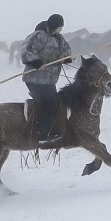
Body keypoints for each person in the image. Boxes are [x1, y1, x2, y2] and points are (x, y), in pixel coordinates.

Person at [21, 13, 73, 143]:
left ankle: (52, 130)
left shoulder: (59, 39)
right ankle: (41, 134)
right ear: (53, 26)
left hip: (49, 80)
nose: (60, 30)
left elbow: (67, 51)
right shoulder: (39, 35)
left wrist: (65, 57)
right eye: (59, 27)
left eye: (61, 28)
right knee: (48, 103)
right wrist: (37, 63)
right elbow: (26, 51)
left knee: (55, 103)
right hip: (34, 79)